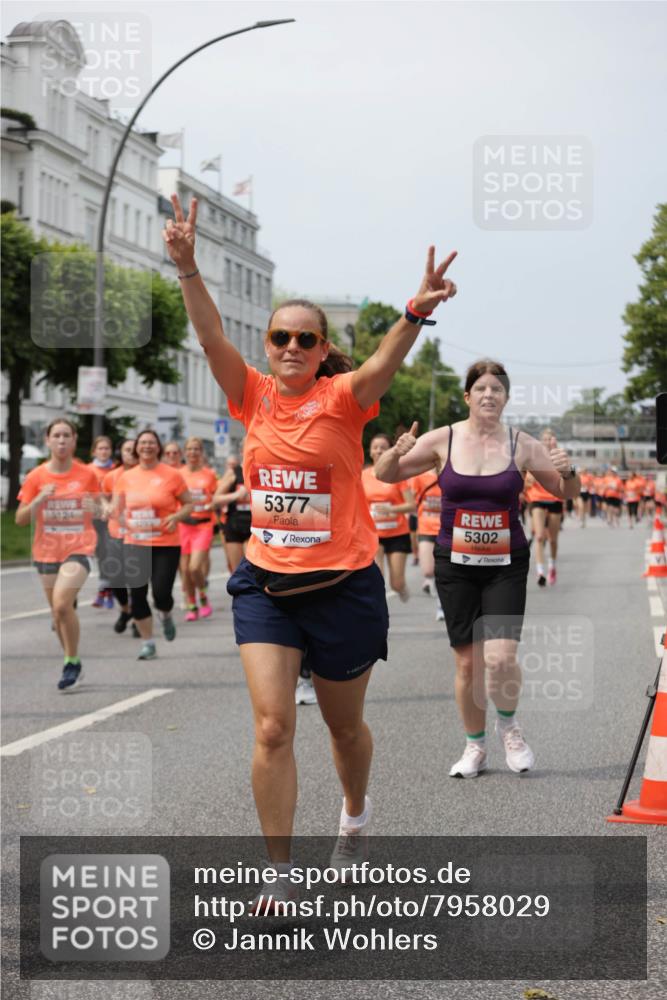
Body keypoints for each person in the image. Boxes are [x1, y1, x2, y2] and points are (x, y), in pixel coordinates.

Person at [163, 192, 457, 904]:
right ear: (267, 345)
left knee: (344, 727)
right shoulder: (251, 394)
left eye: (305, 339)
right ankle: (280, 870)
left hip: (343, 587)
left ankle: (354, 815)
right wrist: (187, 267)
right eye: (280, 338)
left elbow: (384, 358)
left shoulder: (346, 398)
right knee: (272, 726)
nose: (291, 347)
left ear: (323, 350)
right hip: (267, 586)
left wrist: (415, 311)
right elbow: (209, 336)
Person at [375, 359, 579, 778]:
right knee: (468, 663)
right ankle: (475, 746)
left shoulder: (522, 444)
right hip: (456, 564)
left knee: (501, 658)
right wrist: (395, 452)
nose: (489, 395)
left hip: (505, 564)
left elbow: (565, 492)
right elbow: (385, 475)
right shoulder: (442, 439)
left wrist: (568, 470)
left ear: (506, 398)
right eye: (481, 388)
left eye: (497, 389)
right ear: (467, 396)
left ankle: (509, 728)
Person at [15, 418, 100, 691]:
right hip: (46, 551)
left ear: (74, 441)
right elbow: (20, 519)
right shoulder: (36, 476)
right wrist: (39, 499)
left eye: (66, 436)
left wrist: (97, 508)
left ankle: (71, 663)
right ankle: (72, 659)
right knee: (57, 613)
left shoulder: (87, 475)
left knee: (62, 605)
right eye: (57, 436)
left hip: (79, 547)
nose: (61, 441)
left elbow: (104, 510)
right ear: (47, 441)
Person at [112, 429, 193, 660]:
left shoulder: (172, 475)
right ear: (136, 448)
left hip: (165, 543)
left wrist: (176, 517)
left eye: (151, 443)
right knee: (137, 595)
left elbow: (189, 505)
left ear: (158, 447)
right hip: (135, 543)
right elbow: (117, 510)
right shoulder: (126, 477)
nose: (147, 446)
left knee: (161, 593)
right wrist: (118, 518)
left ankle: (165, 615)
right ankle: (148, 643)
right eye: (142, 443)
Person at [361, 432, 415, 601]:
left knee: (396, 583)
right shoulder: (362, 476)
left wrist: (392, 509)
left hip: (397, 534)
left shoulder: (397, 475)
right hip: (373, 534)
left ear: (389, 451)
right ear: (370, 452)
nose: (378, 450)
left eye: (383, 448)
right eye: (375, 447)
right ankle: (378, 610)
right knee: (377, 578)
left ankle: (402, 589)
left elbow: (412, 505)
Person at [101, 439, 139, 634]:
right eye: (126, 450)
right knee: (115, 577)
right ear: (120, 453)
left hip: (139, 534)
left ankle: (139, 619)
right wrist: (106, 506)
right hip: (116, 532)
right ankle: (126, 610)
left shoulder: (145, 475)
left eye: (133, 450)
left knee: (137, 578)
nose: (130, 453)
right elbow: (102, 495)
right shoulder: (112, 476)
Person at [178, 436, 218, 620]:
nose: (192, 452)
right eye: (189, 449)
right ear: (185, 452)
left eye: (196, 449)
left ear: (201, 452)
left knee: (194, 567)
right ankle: (192, 604)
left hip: (203, 526)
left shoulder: (209, 475)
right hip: (183, 525)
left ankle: (202, 595)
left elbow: (217, 497)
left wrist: (215, 505)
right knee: (185, 570)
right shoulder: (178, 474)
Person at [525, 431, 565, 586]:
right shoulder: (534, 458)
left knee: (553, 539)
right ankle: (540, 571)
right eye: (545, 439)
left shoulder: (560, 457)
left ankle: (552, 566)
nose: (548, 442)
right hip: (537, 500)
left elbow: (570, 475)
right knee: (540, 536)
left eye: (550, 439)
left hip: (554, 499)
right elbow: (528, 481)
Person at [409, 464, 444, 620]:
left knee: (444, 570)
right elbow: (411, 502)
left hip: (447, 529)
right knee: (428, 571)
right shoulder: (420, 477)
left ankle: (441, 605)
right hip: (426, 528)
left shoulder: (452, 473)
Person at [88, 435, 116, 609]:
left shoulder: (116, 470)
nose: (104, 452)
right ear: (94, 451)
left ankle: (107, 589)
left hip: (113, 518)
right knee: (102, 553)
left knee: (111, 553)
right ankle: (105, 588)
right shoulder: (88, 470)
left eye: (107, 448)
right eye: (101, 448)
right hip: (94, 518)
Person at [213, 452, 251, 574]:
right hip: (234, 525)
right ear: (243, 452)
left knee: (252, 569)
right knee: (238, 572)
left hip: (254, 528)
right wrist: (237, 495)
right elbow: (216, 499)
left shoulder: (262, 471)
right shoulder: (234, 472)